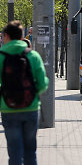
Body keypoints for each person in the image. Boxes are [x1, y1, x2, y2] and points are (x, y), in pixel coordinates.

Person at [0, 20, 48, 165]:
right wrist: (33, 94)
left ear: (6, 36)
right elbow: (43, 83)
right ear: (22, 37)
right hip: (31, 108)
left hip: (8, 109)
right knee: (30, 152)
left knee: (14, 152)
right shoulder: (33, 56)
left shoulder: (1, 57)